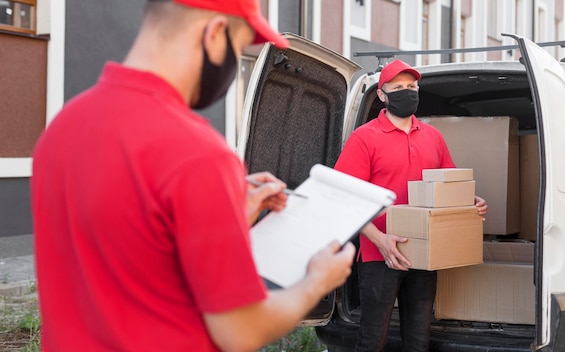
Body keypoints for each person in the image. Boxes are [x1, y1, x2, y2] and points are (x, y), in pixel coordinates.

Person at [30, 1, 355, 351]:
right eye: (239, 47)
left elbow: (129, 250)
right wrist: (316, 282)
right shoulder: (198, 154)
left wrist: (224, 213)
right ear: (214, 33)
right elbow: (240, 332)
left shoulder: (63, 127)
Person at [334, 59, 488, 352]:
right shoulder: (364, 138)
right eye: (399, 88)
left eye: (412, 86)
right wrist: (381, 241)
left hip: (425, 253)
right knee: (372, 342)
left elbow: (447, 186)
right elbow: (345, 198)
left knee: (419, 343)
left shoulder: (433, 137)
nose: (408, 92)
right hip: (380, 255)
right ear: (382, 95)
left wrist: (471, 203)